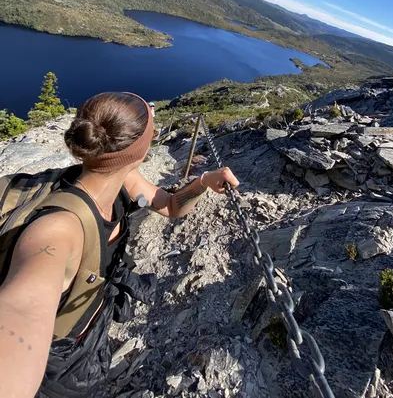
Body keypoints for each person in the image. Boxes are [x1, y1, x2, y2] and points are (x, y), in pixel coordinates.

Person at [0, 92, 239, 398]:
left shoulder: (118, 176)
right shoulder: (58, 229)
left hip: (87, 326)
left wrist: (203, 181)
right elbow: (21, 309)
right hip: (57, 364)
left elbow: (169, 205)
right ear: (138, 149)